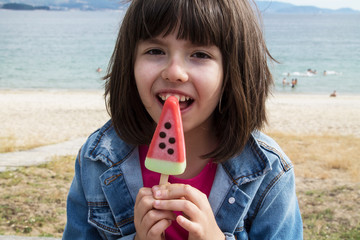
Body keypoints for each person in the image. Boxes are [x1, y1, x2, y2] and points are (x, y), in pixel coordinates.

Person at [63, 0, 303, 239]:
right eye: (155, 51)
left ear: (232, 71)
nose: (174, 72)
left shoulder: (270, 174)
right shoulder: (97, 160)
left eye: (200, 54)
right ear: (130, 64)